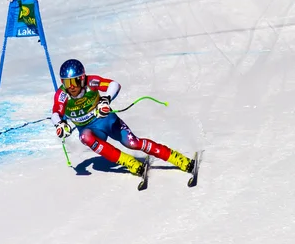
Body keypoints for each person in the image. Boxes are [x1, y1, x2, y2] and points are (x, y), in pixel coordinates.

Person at [51, 59, 194, 176]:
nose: (71, 87)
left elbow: (114, 84)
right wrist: (60, 125)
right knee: (85, 137)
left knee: (133, 143)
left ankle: (177, 158)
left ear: (82, 79)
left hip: (107, 121)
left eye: (74, 81)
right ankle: (130, 163)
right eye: (66, 82)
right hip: (92, 131)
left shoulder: (91, 82)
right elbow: (56, 113)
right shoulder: (62, 95)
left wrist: (105, 100)